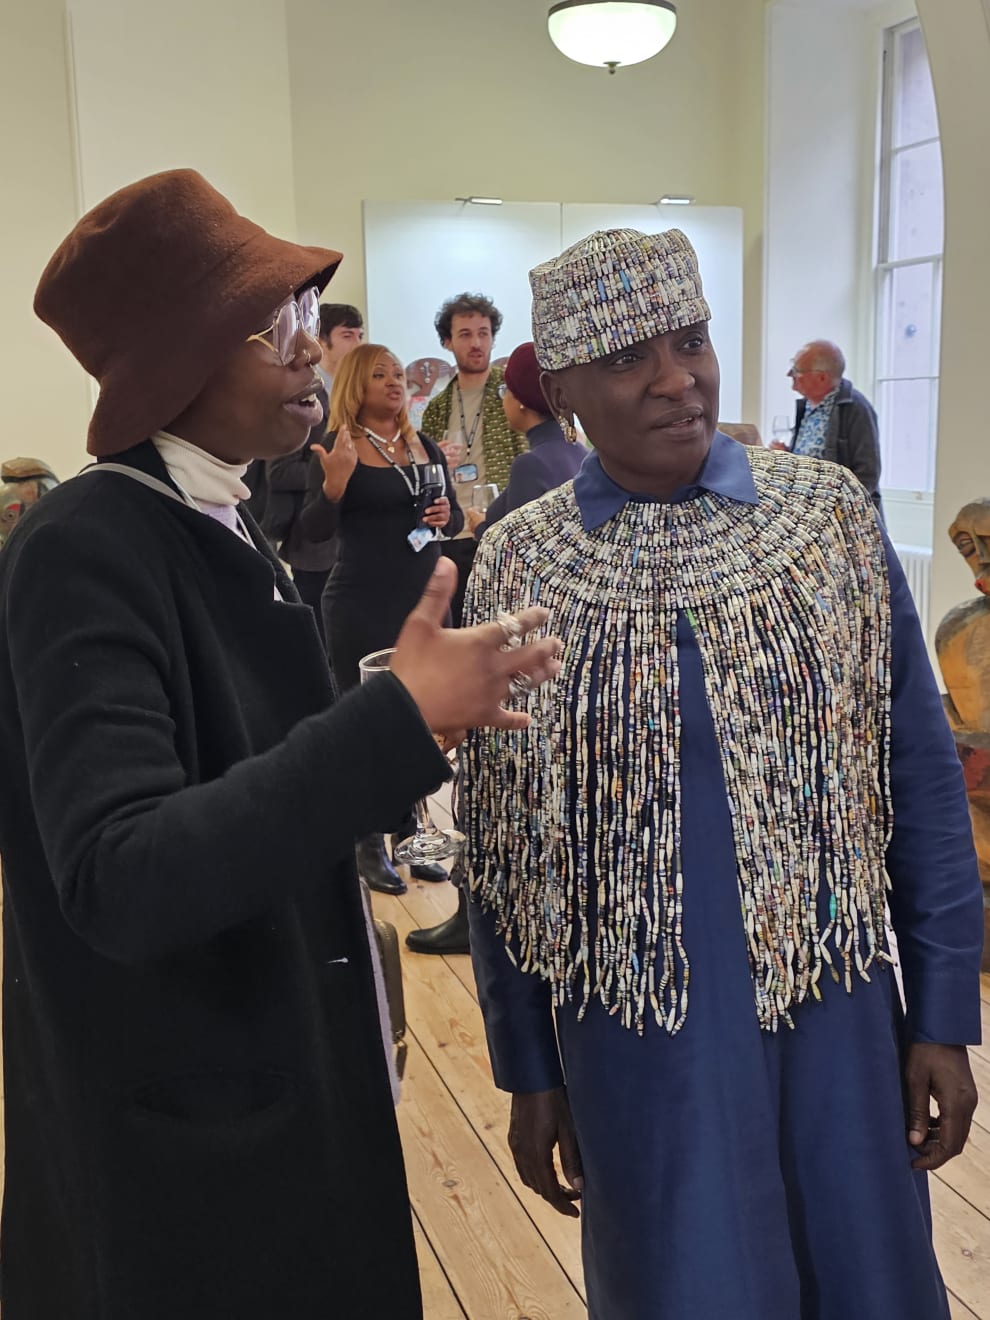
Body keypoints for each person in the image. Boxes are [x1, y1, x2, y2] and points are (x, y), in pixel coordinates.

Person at [0, 168, 562, 1320]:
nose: (311, 351)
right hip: (189, 1141)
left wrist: (396, 717)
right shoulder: (89, 543)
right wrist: (390, 721)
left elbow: (255, 775)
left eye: (304, 318)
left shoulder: (220, 518)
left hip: (268, 1078)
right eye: (270, 328)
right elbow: (122, 869)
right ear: (174, 359)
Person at [460, 227, 983, 1320]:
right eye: (626, 360)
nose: (676, 380)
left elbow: (921, 775)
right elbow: (503, 841)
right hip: (639, 1029)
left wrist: (940, 1014)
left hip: (833, 1008)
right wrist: (528, 1065)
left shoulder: (829, 520)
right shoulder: (520, 562)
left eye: (690, 340)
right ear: (561, 390)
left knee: (865, 1281)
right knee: (684, 1282)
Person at [407, 341, 586, 957]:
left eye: (509, 391)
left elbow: (505, 551)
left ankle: (476, 911)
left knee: (490, 777)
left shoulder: (538, 466)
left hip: (520, 635)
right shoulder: (576, 455)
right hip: (553, 639)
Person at [299, 342, 463, 894]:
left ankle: (411, 835)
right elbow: (312, 532)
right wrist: (334, 486)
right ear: (355, 385)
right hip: (359, 601)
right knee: (367, 724)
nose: (395, 382)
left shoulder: (420, 446)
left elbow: (453, 514)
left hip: (418, 602)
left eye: (398, 373)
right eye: (379, 374)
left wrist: (445, 514)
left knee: (416, 723)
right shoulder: (336, 444)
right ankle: (367, 842)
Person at [260, 307, 366, 643]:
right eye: (348, 335)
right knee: (324, 650)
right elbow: (279, 472)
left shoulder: (355, 396)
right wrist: (335, 469)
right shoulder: (304, 393)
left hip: (354, 545)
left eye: (360, 335)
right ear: (321, 342)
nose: (358, 343)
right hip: (315, 549)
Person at [421, 292, 527, 625]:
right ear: (447, 342)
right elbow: (425, 473)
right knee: (458, 626)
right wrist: (434, 460)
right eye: (465, 334)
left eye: (484, 333)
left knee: (502, 626)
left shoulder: (510, 394)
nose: (476, 342)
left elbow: (527, 455)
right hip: (452, 531)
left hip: (499, 527)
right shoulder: (437, 407)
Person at [780, 339, 884, 514]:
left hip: (843, 517)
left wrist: (836, 509)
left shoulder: (856, 408)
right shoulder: (806, 405)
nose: (790, 374)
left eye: (797, 370)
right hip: (807, 511)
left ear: (821, 377)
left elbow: (868, 473)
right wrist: (787, 454)